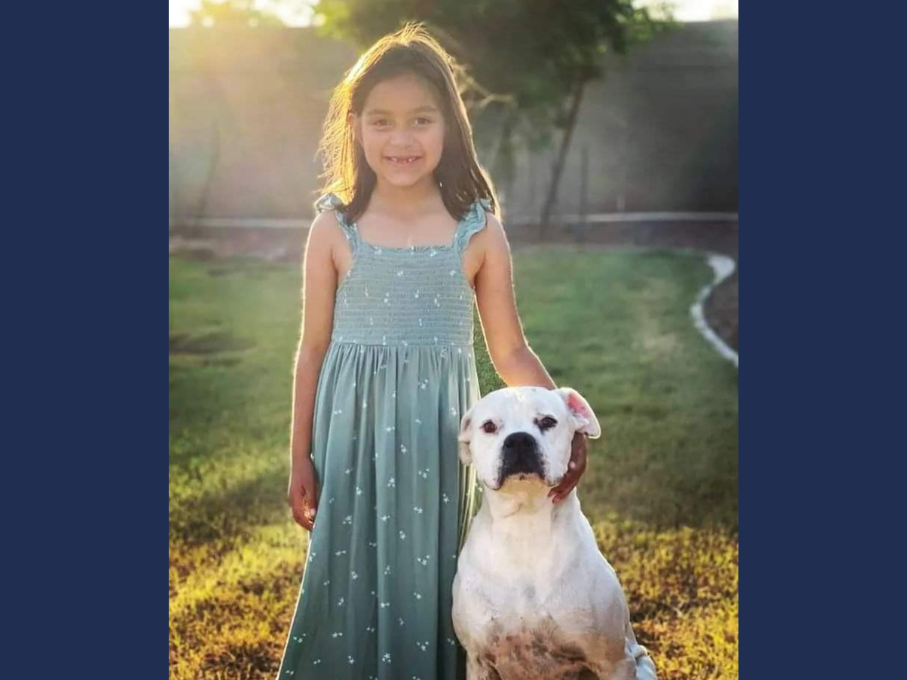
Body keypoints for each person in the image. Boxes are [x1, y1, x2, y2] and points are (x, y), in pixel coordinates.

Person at [276, 22, 588, 680]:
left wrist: (557, 420)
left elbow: (509, 348)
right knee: (346, 565)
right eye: (382, 122)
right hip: (350, 435)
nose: (401, 139)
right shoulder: (333, 228)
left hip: (434, 443)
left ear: (448, 125)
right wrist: (299, 454)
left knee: (429, 570)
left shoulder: (477, 231)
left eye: (420, 120)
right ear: (355, 127)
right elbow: (311, 350)